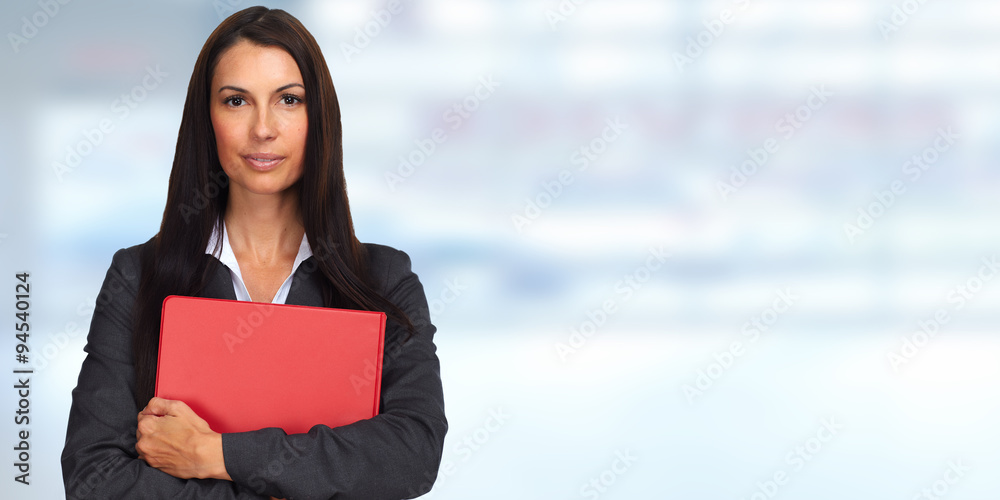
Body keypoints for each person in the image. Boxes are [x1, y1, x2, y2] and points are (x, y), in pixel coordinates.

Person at [60, 6, 447, 499]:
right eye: (237, 100)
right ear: (208, 119)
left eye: (289, 99)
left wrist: (215, 455)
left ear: (318, 116)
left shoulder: (383, 279)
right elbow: (95, 480)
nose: (263, 128)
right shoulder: (136, 277)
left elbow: (411, 455)